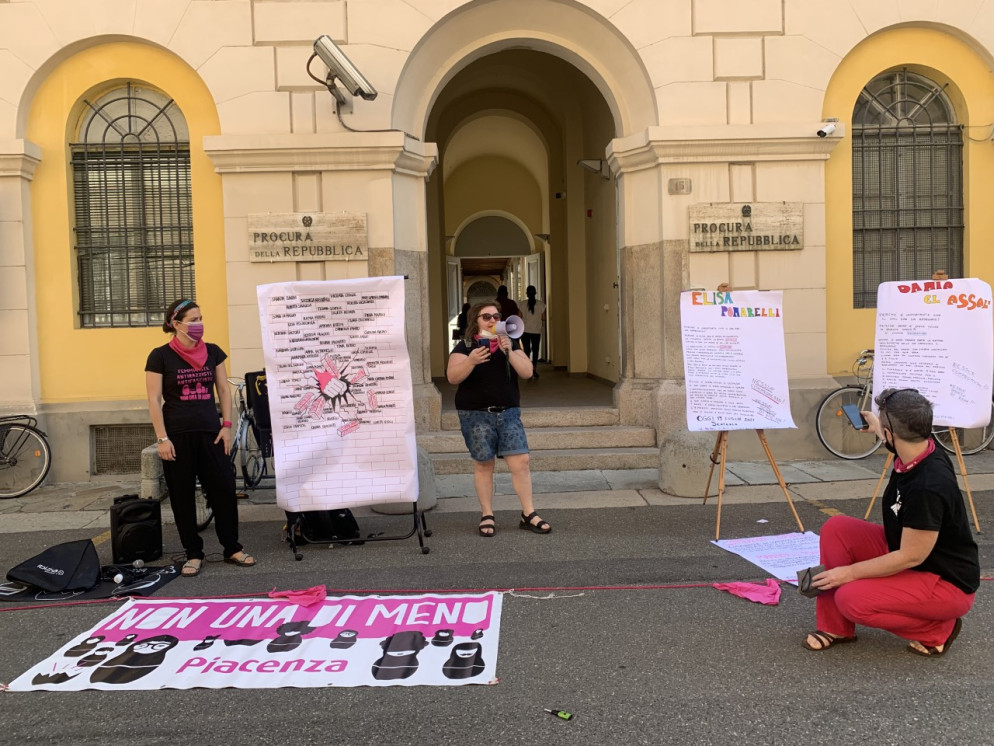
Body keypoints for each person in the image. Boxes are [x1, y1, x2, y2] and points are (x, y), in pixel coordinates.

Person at [802, 388, 978, 656]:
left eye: (884, 429)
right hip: (909, 554)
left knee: (851, 599)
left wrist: (849, 573)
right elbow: (896, 436)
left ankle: (938, 629)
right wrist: (876, 425)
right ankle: (836, 627)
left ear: (891, 434)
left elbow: (910, 556)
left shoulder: (928, 487)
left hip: (944, 582)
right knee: (837, 528)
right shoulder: (921, 447)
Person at [145, 299, 256, 577]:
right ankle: (193, 553)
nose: (199, 324)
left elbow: (223, 390)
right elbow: (153, 399)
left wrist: (227, 425)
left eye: (200, 318)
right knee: (182, 496)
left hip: (211, 434)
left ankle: (232, 548)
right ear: (176, 324)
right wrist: (162, 439)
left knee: (224, 490)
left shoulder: (213, 352)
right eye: (193, 320)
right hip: (177, 437)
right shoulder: (159, 356)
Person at [446, 301, 551, 537]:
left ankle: (528, 513)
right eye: (486, 317)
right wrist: (471, 361)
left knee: (521, 461)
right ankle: (487, 514)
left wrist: (509, 352)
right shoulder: (465, 346)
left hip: (508, 412)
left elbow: (527, 372)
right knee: (484, 464)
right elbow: (452, 377)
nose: (493, 320)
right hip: (475, 414)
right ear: (476, 321)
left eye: (496, 316)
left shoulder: (511, 343)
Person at [517, 285, 546, 378]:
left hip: (525, 331)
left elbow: (519, 317)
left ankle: (528, 368)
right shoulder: (541, 304)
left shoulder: (522, 304)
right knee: (535, 350)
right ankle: (534, 368)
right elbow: (543, 318)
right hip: (536, 331)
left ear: (527, 294)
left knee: (526, 350)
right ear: (535, 293)